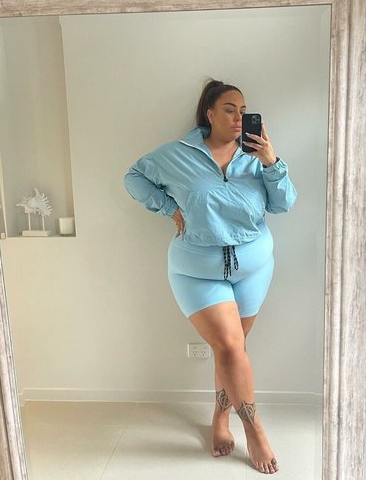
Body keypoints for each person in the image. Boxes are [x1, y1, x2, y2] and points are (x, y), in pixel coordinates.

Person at [123, 78, 297, 474]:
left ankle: (220, 416)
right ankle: (254, 429)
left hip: (254, 267)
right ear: (210, 113)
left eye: (243, 111)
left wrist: (271, 161)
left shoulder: (256, 155)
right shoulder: (176, 154)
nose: (238, 118)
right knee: (232, 347)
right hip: (198, 270)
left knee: (230, 350)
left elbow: (284, 204)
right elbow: (133, 176)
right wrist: (168, 208)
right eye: (229, 109)